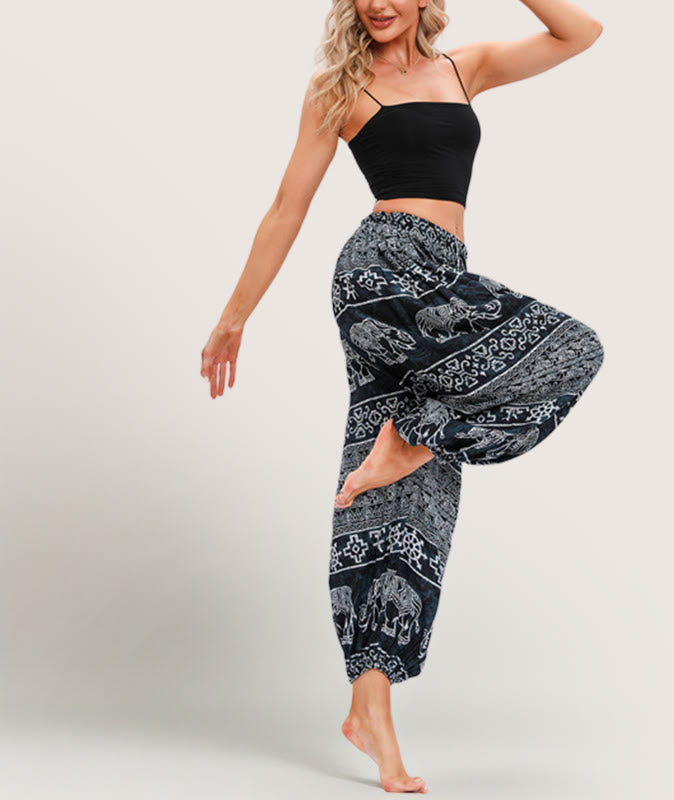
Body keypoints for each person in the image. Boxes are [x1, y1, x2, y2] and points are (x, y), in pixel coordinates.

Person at [201, 0, 604, 793]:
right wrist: (233, 316)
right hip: (380, 277)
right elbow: (286, 209)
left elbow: (579, 33)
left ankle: (369, 708)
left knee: (412, 499)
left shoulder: (466, 67)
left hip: (446, 277)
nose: (378, 2)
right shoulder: (337, 87)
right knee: (563, 355)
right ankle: (414, 435)